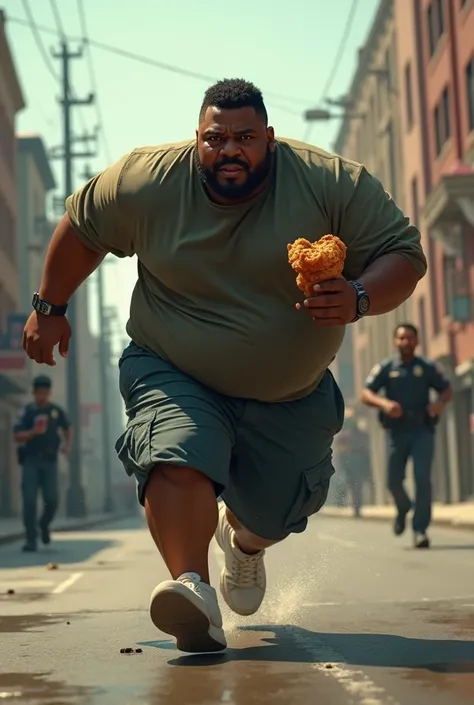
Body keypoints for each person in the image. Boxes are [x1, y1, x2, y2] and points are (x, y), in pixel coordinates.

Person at [22, 78, 427, 653]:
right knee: (175, 447)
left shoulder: (328, 181)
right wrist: (49, 306)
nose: (230, 149)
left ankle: (245, 546)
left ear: (270, 139)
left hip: (290, 393)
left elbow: (405, 254)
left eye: (245, 137)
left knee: (274, 511)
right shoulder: (149, 179)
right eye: (216, 138)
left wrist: (359, 295)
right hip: (172, 362)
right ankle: (192, 589)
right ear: (197, 140)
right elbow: (84, 227)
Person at [361, 323, 452, 549]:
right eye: (401, 338)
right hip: (396, 432)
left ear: (417, 341)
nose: (405, 342)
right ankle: (403, 508)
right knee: (393, 481)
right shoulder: (386, 367)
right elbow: (366, 393)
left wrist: (439, 403)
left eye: (410, 338)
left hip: (422, 430)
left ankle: (420, 530)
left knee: (422, 479)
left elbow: (447, 389)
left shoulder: (427, 367)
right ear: (395, 341)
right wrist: (384, 404)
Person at [13, 375, 72, 552]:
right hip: (31, 460)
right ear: (34, 393)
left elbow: (68, 427)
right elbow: (16, 436)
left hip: (49, 461)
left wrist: (67, 445)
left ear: (49, 393)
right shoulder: (27, 412)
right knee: (29, 501)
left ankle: (43, 525)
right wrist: (34, 432)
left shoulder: (55, 411)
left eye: (45, 393)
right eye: (39, 393)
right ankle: (31, 539)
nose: (42, 396)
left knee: (52, 500)